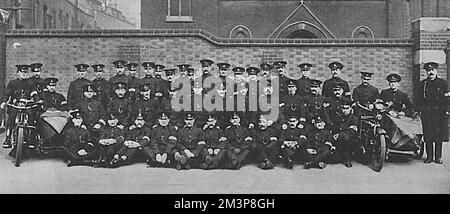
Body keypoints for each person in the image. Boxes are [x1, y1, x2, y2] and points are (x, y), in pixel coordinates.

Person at [417, 62, 449, 164]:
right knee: (428, 135)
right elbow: (418, 99)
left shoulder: (443, 83)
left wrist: (447, 111)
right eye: (428, 71)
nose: (430, 72)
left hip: (439, 113)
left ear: (436, 71)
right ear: (426, 72)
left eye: (432, 70)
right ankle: (429, 157)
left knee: (439, 136)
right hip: (427, 113)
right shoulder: (423, 84)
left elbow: (448, 99)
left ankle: (438, 157)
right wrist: (419, 110)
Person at [1, 64, 34, 148]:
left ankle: (30, 139)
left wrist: (37, 101)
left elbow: (34, 94)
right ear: (18, 73)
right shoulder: (13, 83)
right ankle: (8, 138)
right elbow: (7, 93)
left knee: (32, 117)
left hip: (26, 107)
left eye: (25, 72)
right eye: (22, 72)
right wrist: (4, 102)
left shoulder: (30, 83)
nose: (24, 74)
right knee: (11, 118)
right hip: (15, 106)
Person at [332, 98, 358, 168]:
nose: (344, 110)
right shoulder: (339, 117)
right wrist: (335, 134)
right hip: (339, 139)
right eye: (343, 108)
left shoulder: (354, 118)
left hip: (351, 139)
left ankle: (347, 158)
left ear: (350, 108)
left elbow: (352, 131)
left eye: (347, 108)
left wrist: (340, 134)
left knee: (346, 138)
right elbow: (335, 128)